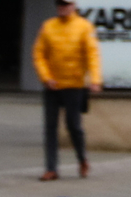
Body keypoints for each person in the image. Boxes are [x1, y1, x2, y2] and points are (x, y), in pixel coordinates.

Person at [32, 0, 101, 182]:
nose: (62, 8)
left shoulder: (84, 27)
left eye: (66, 4)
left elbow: (92, 54)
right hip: (53, 85)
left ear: (73, 6)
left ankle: (82, 159)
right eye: (59, 4)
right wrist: (46, 77)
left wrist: (95, 79)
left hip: (74, 84)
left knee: (73, 126)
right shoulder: (48, 26)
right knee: (50, 127)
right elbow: (39, 53)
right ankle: (51, 168)